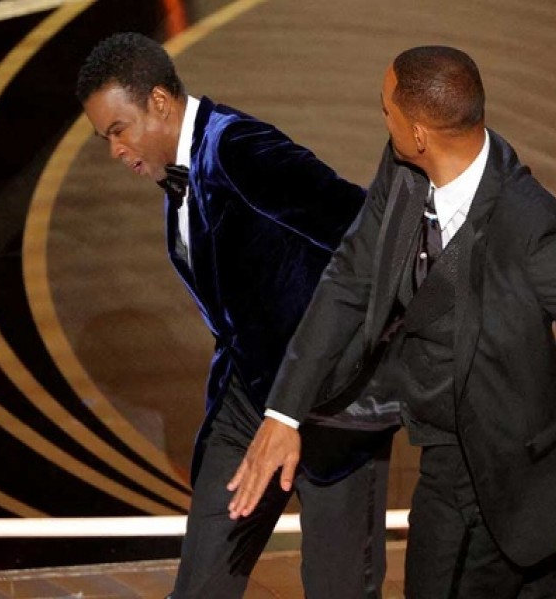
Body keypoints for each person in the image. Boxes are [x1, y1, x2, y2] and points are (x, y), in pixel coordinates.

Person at [227, 46, 556, 597]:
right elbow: (350, 278)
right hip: (444, 456)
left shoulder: (536, 233)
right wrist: (285, 411)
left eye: (387, 111)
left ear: (420, 132)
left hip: (521, 468)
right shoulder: (402, 169)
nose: (384, 120)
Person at [76, 32, 396, 599]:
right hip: (248, 399)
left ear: (158, 101)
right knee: (202, 587)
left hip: (331, 405)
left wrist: (349, 365)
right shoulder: (180, 173)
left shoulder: (240, 150)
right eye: (105, 138)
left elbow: (361, 229)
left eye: (118, 131)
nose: (115, 151)